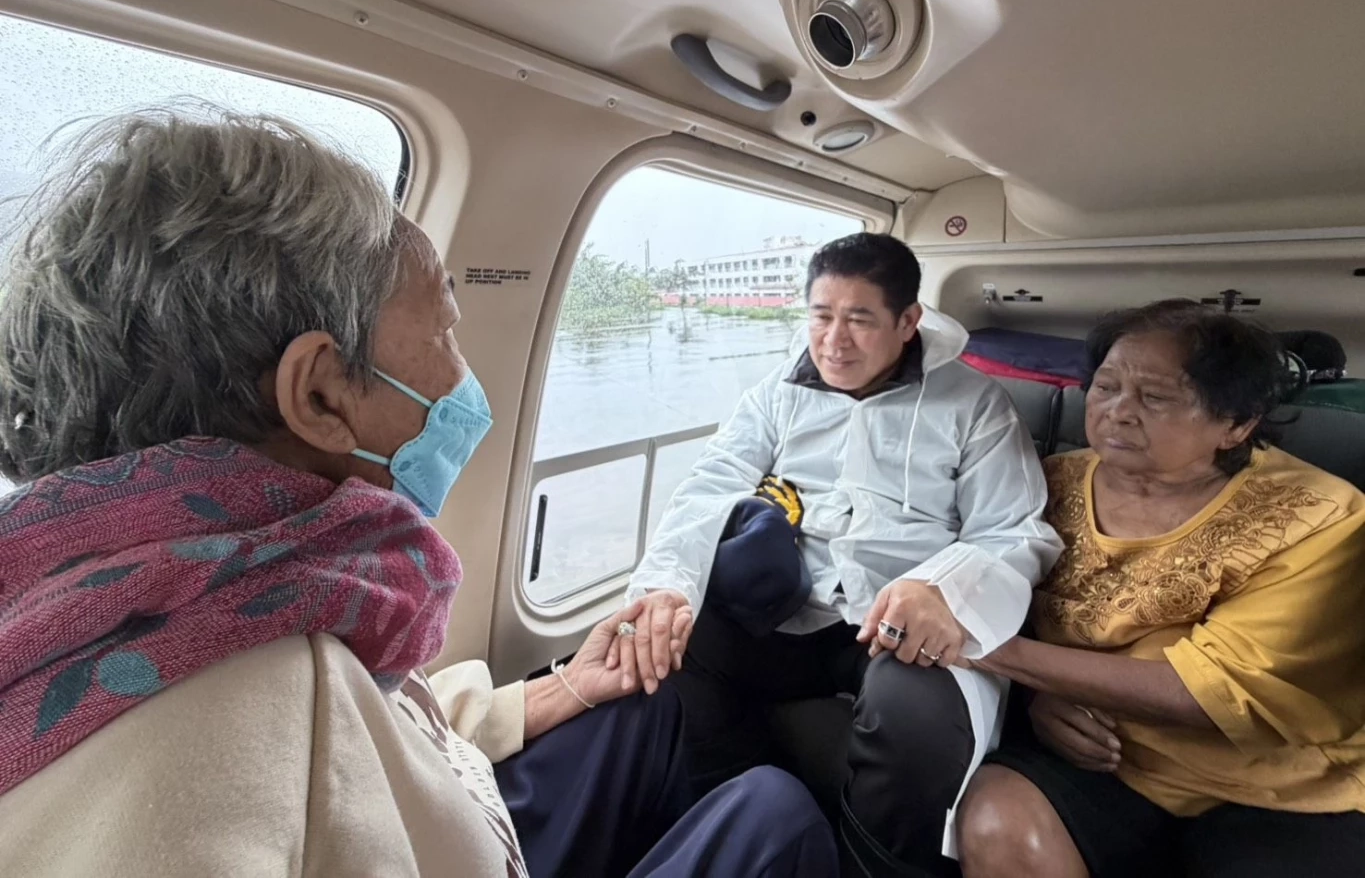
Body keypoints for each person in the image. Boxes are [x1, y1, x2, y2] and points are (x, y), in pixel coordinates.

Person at [0, 108, 838, 878]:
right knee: (774, 814)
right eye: (442, 328)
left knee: (642, 713)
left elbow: (380, 726)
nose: (463, 375)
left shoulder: (204, 583)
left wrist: (564, 688)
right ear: (323, 396)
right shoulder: (203, 761)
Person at [616, 232, 1064, 875]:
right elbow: (709, 487)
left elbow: (1015, 530)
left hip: (897, 618)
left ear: (908, 322)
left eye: (859, 320)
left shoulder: (972, 405)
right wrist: (666, 588)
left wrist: (943, 587)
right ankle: (748, 830)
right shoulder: (777, 392)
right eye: (821, 317)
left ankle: (866, 865)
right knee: (672, 650)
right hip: (789, 605)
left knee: (913, 720)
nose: (833, 341)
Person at [954, 300, 1365, 878]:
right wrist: (1034, 699)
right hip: (1104, 762)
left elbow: (1214, 691)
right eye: (1105, 387)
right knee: (996, 817)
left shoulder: (1320, 516)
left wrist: (993, 651)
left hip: (1282, 788)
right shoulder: (1043, 482)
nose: (1118, 412)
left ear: (1236, 424)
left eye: (1155, 398)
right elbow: (1003, 594)